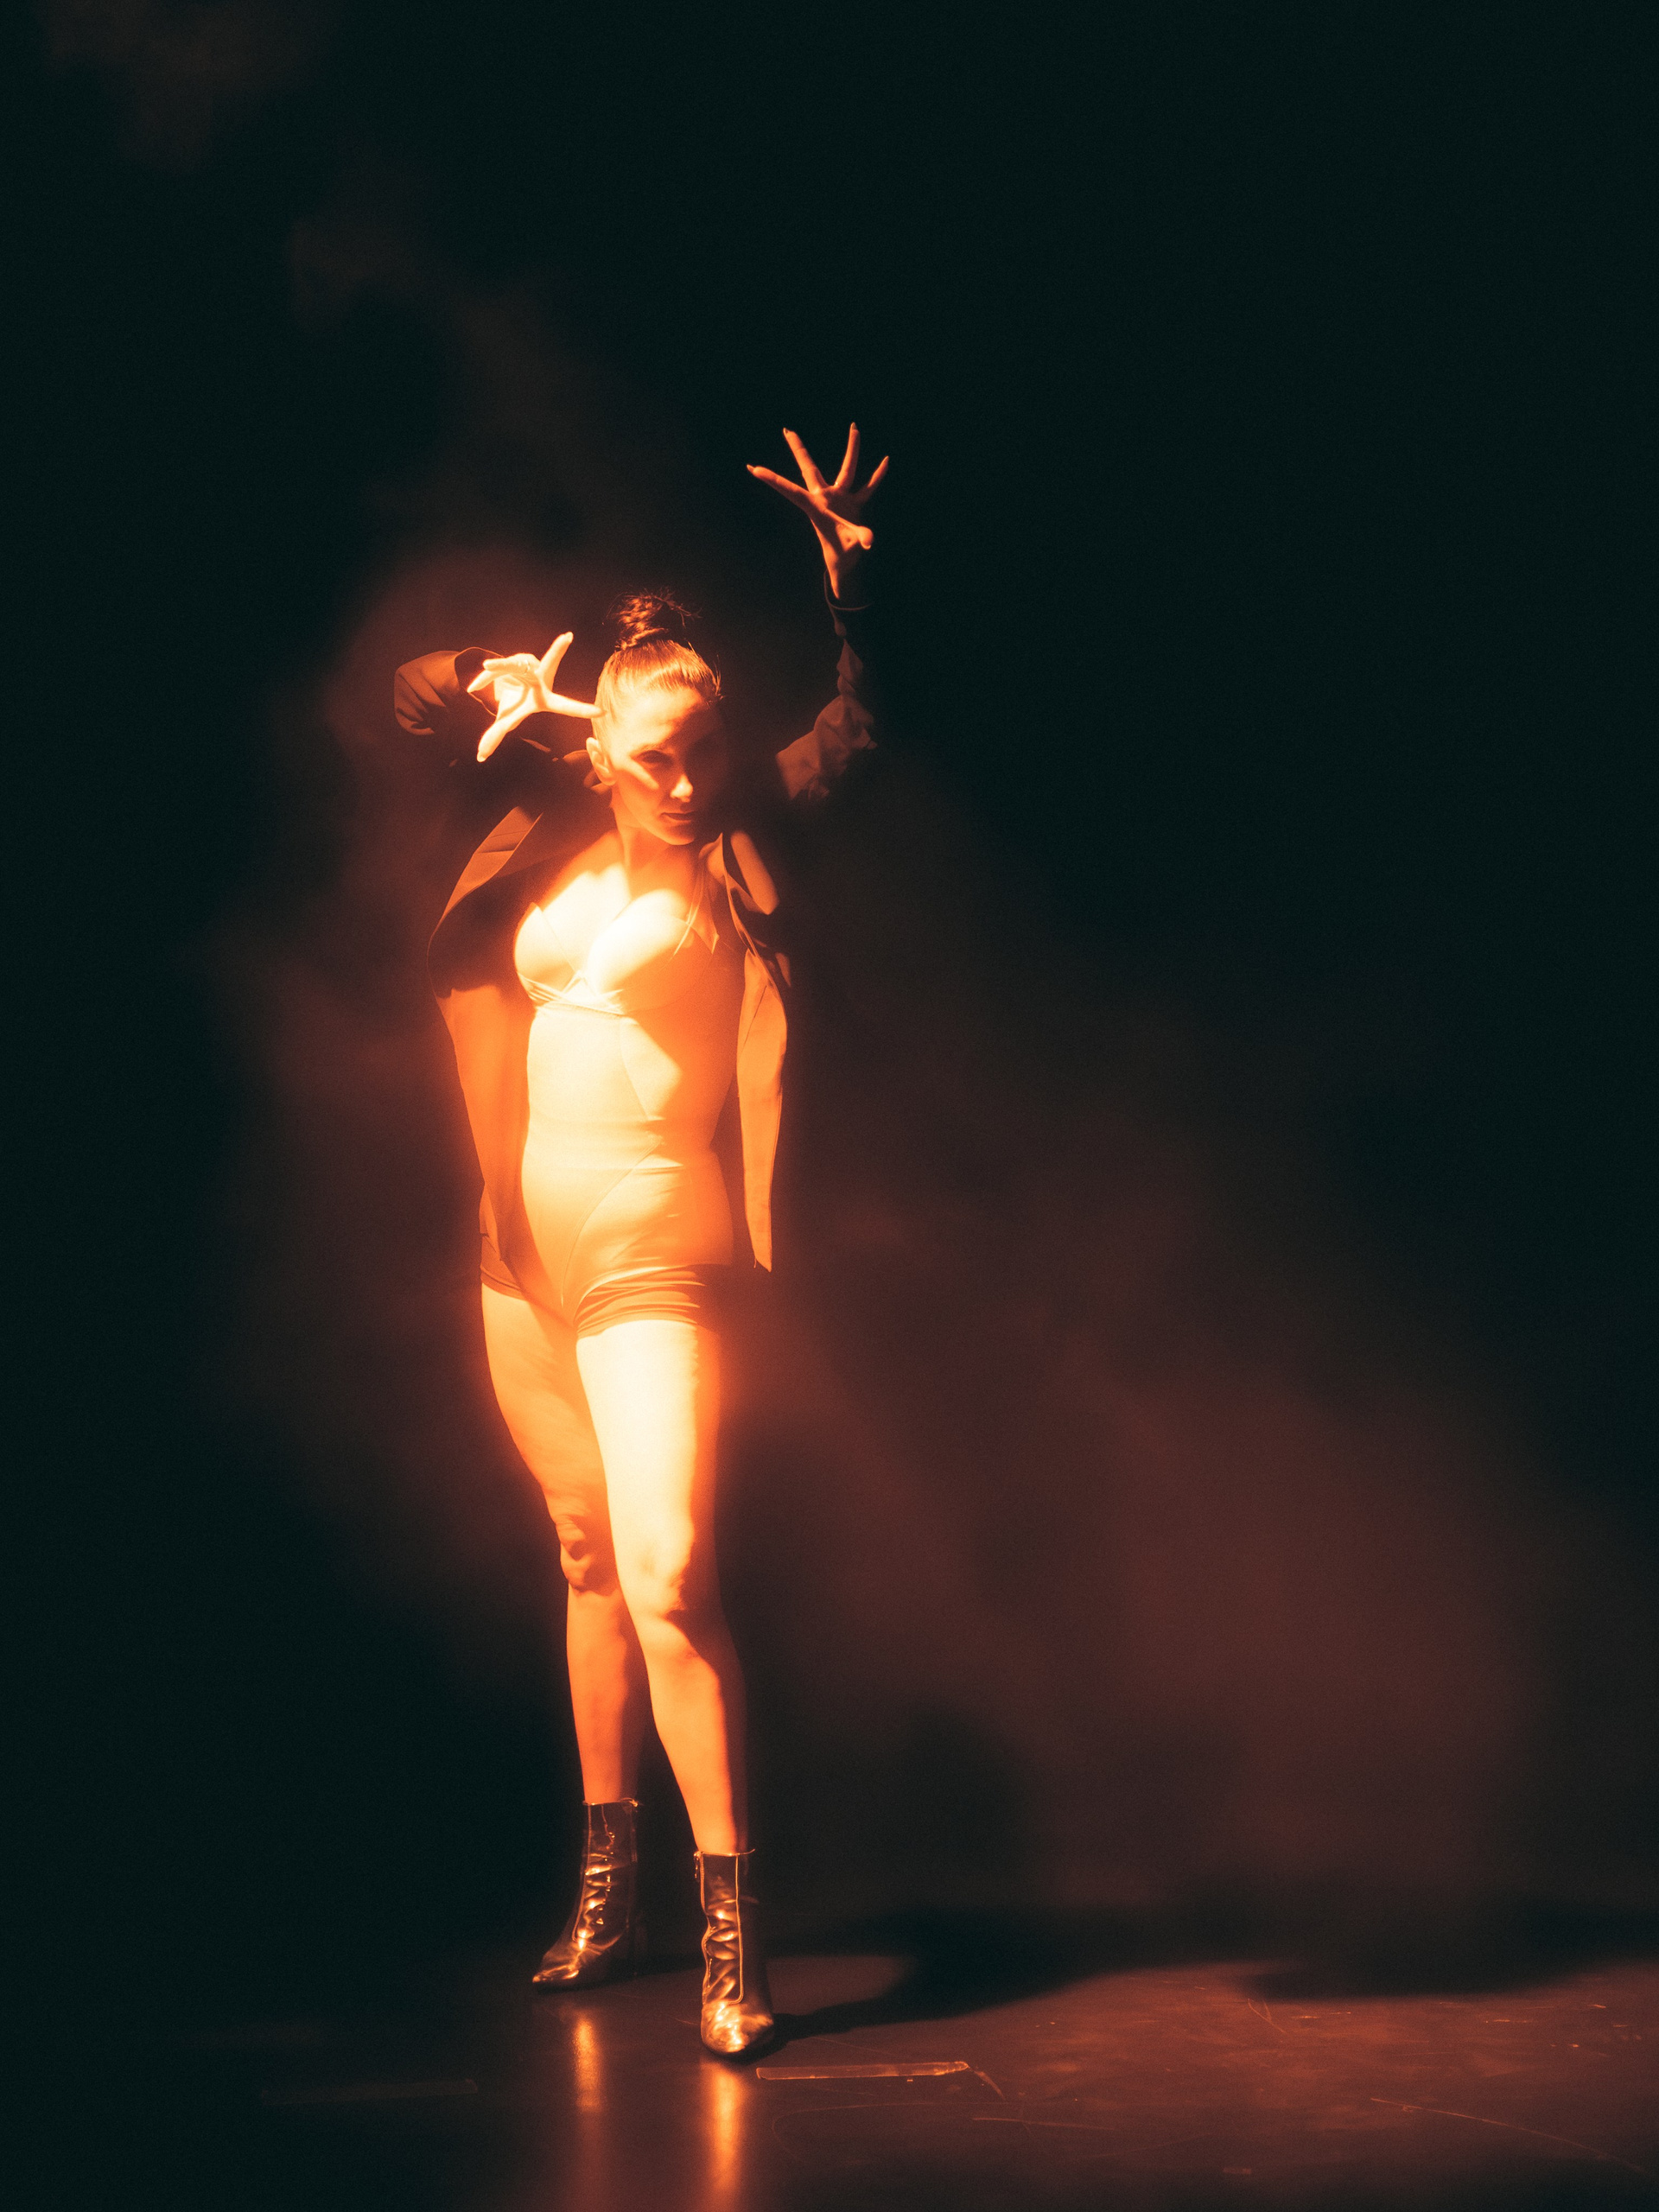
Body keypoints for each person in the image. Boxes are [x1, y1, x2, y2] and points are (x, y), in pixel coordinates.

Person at [392, 425, 887, 2057]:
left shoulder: (746, 831)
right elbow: (403, 700)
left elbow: (861, 732)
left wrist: (858, 604)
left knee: (672, 1570)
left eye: (701, 751)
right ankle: (612, 1897)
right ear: (600, 747)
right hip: (520, 1256)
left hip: (658, 1260)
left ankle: (734, 1937)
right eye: (655, 757)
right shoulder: (544, 818)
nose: (683, 782)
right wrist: (485, 676)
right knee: (585, 1553)